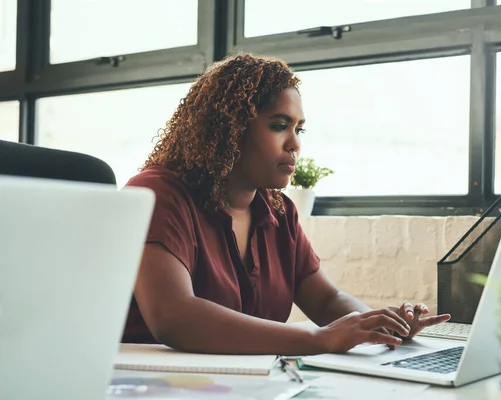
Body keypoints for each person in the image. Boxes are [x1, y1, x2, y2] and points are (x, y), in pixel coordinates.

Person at [122, 53, 451, 356]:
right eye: (279, 126)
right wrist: (315, 339)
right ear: (229, 131)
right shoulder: (157, 195)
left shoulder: (279, 210)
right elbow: (174, 317)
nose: (295, 144)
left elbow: (326, 299)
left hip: (248, 385)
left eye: (298, 128)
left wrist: (381, 324)